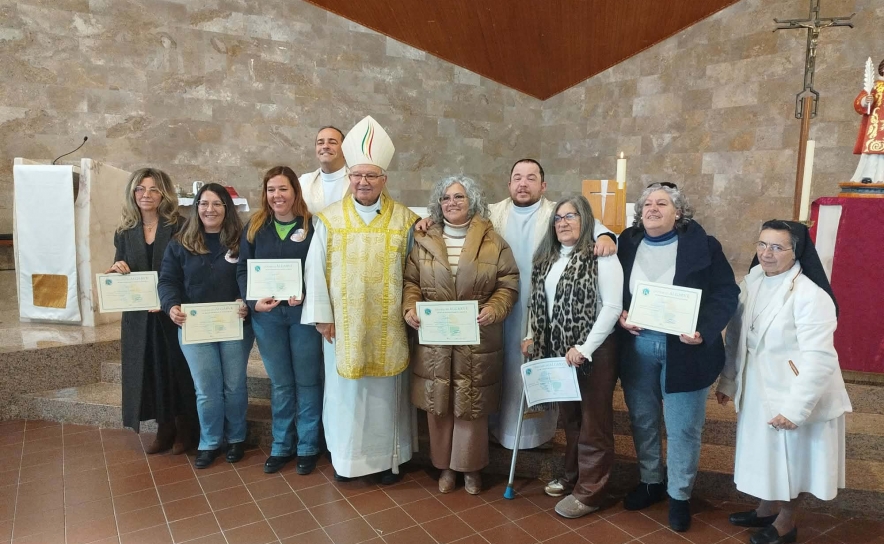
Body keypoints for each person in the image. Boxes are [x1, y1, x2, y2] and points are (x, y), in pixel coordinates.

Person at [716, 220, 851, 544]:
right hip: (759, 385)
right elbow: (736, 335)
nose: (766, 253)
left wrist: (795, 409)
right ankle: (766, 509)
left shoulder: (810, 295)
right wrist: (728, 380)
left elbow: (820, 358)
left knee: (794, 461)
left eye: (777, 247)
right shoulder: (752, 280)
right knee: (769, 455)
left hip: (798, 390)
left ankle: (786, 523)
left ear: (796, 251)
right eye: (762, 244)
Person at [302, 115, 419, 485]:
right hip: (343, 326)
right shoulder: (329, 219)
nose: (363, 182)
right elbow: (314, 269)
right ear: (349, 177)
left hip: (389, 325)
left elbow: (416, 271)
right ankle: (348, 461)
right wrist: (322, 316)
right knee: (346, 396)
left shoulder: (405, 220)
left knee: (386, 398)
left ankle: (388, 461)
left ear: (384, 179)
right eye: (357, 175)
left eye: (371, 176)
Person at [617, 183, 739, 532]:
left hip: (686, 349)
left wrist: (704, 329)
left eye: (662, 203)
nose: (652, 208)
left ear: (678, 212)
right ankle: (651, 481)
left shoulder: (703, 245)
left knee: (683, 426)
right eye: (647, 204)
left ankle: (679, 494)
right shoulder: (627, 243)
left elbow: (726, 292)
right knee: (643, 419)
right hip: (638, 347)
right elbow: (610, 288)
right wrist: (620, 314)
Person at [487, 159, 617, 453]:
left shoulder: (554, 213)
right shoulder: (493, 213)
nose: (523, 183)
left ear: (543, 185)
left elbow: (592, 224)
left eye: (531, 178)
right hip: (503, 304)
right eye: (517, 177)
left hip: (542, 309)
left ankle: (535, 435)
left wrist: (606, 235)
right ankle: (500, 429)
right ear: (509, 184)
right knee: (504, 368)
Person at [403, 175, 519, 495]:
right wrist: (410, 308)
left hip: (476, 335)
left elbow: (508, 284)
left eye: (459, 197)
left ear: (473, 202)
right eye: (446, 198)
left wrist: (494, 309)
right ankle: (444, 466)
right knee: (438, 401)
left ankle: (470, 468)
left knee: (470, 403)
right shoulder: (424, 240)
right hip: (436, 336)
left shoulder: (493, 242)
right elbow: (411, 282)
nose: (451, 203)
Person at [521, 195, 623, 518]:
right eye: (558, 218)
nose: (563, 223)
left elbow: (612, 307)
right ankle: (573, 476)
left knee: (594, 422)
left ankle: (591, 492)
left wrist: (585, 348)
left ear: (586, 220)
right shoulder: (547, 257)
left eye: (571, 216)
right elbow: (538, 302)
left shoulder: (601, 255)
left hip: (594, 351)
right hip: (559, 351)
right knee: (571, 419)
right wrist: (530, 334)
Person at [158, 183, 253, 469]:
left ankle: (236, 438)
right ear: (196, 207)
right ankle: (210, 441)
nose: (209, 209)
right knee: (206, 388)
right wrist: (171, 306)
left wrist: (246, 299)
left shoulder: (242, 241)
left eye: (216, 204)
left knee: (234, 385)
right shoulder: (180, 243)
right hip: (194, 325)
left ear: (227, 208)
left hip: (234, 323)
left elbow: (251, 275)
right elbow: (167, 281)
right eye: (204, 203)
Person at [238, 166, 323, 475]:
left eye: (283, 188)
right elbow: (243, 269)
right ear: (265, 193)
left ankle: (308, 445)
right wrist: (253, 302)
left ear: (295, 192)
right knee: (281, 383)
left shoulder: (312, 226)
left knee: (307, 380)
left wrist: (306, 293)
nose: (277, 195)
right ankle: (281, 445)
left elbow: (322, 269)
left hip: (303, 315)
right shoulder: (255, 227)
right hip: (268, 317)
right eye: (271, 189)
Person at [108, 168, 196, 455]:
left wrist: (172, 301)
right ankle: (164, 427)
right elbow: (119, 267)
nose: (146, 194)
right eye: (140, 189)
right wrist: (116, 269)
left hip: (171, 312)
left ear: (164, 194)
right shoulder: (125, 231)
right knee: (151, 371)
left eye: (153, 189)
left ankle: (186, 427)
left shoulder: (180, 226)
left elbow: (190, 271)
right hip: (140, 316)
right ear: (133, 193)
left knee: (176, 369)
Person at [298, 126, 350, 213]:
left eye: (332, 142)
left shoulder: (358, 181)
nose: (325, 146)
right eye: (320, 143)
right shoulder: (303, 182)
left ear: (344, 149)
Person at [852, 58, 884, 183]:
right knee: (873, 152)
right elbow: (858, 103)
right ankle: (870, 175)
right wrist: (866, 101)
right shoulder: (875, 87)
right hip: (876, 127)